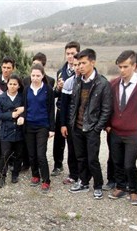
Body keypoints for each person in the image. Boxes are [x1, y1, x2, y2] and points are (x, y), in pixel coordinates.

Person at [63, 49, 112, 200]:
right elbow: (73, 104)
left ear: (93, 62)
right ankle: (83, 182)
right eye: (79, 63)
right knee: (80, 157)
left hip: (91, 128)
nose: (80, 66)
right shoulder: (78, 81)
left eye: (84, 63)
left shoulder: (102, 83)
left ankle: (98, 185)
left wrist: (97, 127)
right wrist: (72, 122)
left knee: (92, 159)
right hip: (77, 127)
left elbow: (106, 109)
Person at [107, 50, 137, 206]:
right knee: (117, 161)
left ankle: (133, 190)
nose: (122, 70)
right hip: (115, 131)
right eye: (120, 67)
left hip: (134, 133)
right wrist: (107, 125)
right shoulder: (113, 84)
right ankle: (121, 186)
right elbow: (108, 106)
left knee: (129, 163)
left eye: (125, 66)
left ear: (135, 66)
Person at [22, 63, 55, 193]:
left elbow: (51, 110)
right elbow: (25, 106)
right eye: (33, 75)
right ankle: (35, 175)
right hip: (29, 125)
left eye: (38, 75)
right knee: (32, 154)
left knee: (41, 154)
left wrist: (52, 128)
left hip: (42, 126)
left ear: (43, 76)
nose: (35, 78)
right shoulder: (26, 90)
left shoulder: (48, 89)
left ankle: (46, 180)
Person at [52, 41, 80, 180]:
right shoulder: (60, 72)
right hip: (61, 109)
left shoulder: (79, 70)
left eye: (73, 54)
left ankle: (75, 170)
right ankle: (58, 165)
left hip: (74, 112)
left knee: (73, 142)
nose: (70, 56)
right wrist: (58, 88)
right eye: (67, 54)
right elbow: (55, 95)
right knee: (58, 139)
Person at [0, 74, 25, 186]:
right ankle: (2, 177)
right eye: (10, 84)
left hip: (19, 130)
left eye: (15, 84)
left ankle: (15, 174)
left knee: (18, 154)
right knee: (5, 154)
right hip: (6, 130)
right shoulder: (1, 98)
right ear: (7, 85)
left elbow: (27, 109)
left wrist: (22, 115)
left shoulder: (22, 97)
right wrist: (11, 115)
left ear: (18, 86)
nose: (12, 86)